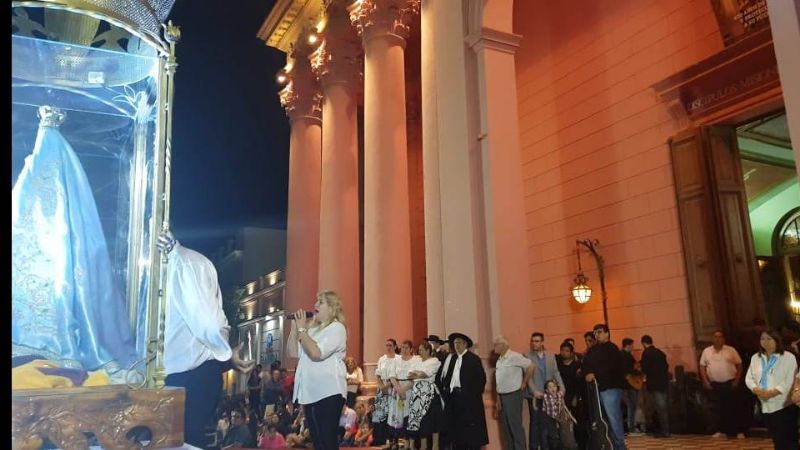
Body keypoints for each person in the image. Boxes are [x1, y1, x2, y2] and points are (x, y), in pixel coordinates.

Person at [157, 232, 255, 448]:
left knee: (187, 441)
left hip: (192, 375)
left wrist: (225, 354)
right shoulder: (175, 262)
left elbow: (207, 322)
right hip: (182, 373)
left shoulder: (188, 263)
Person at [288, 289, 348, 450]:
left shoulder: (337, 328)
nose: (315, 305)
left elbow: (316, 353)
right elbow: (293, 353)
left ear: (332, 307)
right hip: (310, 393)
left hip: (329, 392)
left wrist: (302, 330)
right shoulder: (312, 330)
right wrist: (295, 328)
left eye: (320, 302)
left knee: (327, 441)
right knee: (318, 443)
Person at [745, 329, 799, 450]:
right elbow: (749, 378)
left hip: (784, 404)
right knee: (777, 440)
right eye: (762, 339)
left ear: (777, 340)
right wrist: (757, 390)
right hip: (766, 405)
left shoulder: (788, 357)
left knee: (789, 440)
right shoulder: (756, 358)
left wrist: (771, 393)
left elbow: (790, 379)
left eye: (769, 339)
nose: (765, 342)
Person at [436, 332, 489, 450]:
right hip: (453, 398)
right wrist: (446, 393)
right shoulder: (452, 359)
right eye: (455, 343)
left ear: (465, 344)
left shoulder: (473, 359)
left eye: (459, 343)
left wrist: (472, 396)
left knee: (469, 433)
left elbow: (481, 380)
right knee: (455, 431)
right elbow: (445, 378)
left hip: (468, 400)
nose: (456, 345)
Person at [582, 323, 627, 450]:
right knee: (602, 421)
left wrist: (594, 373)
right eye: (595, 332)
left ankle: (620, 447)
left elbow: (613, 368)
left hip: (610, 389)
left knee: (614, 420)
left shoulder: (613, 349)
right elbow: (586, 365)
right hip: (596, 390)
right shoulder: (592, 350)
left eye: (600, 332)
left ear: (607, 333)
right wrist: (587, 373)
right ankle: (609, 446)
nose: (597, 335)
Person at [699, 329, 745, 439]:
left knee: (733, 408)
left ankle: (739, 431)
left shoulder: (731, 350)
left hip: (730, 383)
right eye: (715, 337)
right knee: (718, 409)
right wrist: (705, 381)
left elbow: (739, 366)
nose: (717, 339)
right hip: (715, 384)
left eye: (720, 337)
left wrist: (736, 381)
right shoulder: (707, 351)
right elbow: (702, 367)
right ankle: (721, 430)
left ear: (723, 339)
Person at [492, 335, 534, 450]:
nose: (494, 347)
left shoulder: (514, 356)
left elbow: (531, 366)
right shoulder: (499, 360)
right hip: (503, 396)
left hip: (513, 395)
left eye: (496, 344)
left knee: (515, 427)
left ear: (503, 345)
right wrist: (498, 400)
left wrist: (525, 382)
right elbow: (498, 382)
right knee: (506, 428)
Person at [526, 332, 564, 450]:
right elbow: (528, 376)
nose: (534, 343)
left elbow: (556, 372)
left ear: (542, 342)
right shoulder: (527, 356)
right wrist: (534, 391)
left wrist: (562, 388)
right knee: (536, 424)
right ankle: (534, 447)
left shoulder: (550, 356)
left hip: (550, 394)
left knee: (550, 424)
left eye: (537, 341)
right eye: (532, 341)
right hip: (536, 396)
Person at [407, 341, 443, 450]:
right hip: (417, 393)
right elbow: (409, 374)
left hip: (430, 393)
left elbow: (426, 373)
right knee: (420, 421)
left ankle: (435, 446)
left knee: (433, 420)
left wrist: (418, 374)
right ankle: (423, 446)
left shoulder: (434, 361)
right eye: (419, 350)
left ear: (428, 351)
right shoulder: (417, 361)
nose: (420, 352)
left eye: (422, 350)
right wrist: (419, 373)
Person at [639, 335, 670, 438]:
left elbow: (645, 369)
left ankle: (664, 431)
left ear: (643, 343)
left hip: (654, 384)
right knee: (664, 407)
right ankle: (666, 430)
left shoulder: (646, 353)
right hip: (663, 383)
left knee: (659, 408)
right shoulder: (660, 352)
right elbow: (666, 366)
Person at [620, 337, 642, 435]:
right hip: (629, 384)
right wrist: (637, 371)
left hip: (625, 384)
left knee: (630, 405)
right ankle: (631, 426)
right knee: (631, 405)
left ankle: (630, 426)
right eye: (632, 345)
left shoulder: (622, 355)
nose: (633, 347)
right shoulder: (627, 356)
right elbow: (630, 369)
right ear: (627, 345)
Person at [541, 379, 565, 449]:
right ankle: (552, 446)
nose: (553, 388)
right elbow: (536, 396)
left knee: (560, 432)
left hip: (558, 416)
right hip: (549, 417)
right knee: (552, 434)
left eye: (554, 386)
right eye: (550, 387)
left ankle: (560, 445)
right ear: (546, 390)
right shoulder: (545, 396)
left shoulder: (559, 394)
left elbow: (562, 403)